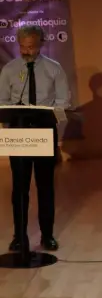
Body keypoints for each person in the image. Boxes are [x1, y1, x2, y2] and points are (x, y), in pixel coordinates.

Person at [0, 25, 71, 252]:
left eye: (30, 46)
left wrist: (52, 117)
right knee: (19, 187)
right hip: (19, 132)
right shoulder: (9, 70)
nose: (26, 51)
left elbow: (63, 101)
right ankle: (19, 236)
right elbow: (2, 101)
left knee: (45, 185)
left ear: (41, 43)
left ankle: (47, 235)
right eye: (22, 46)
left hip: (43, 131)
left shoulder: (54, 69)